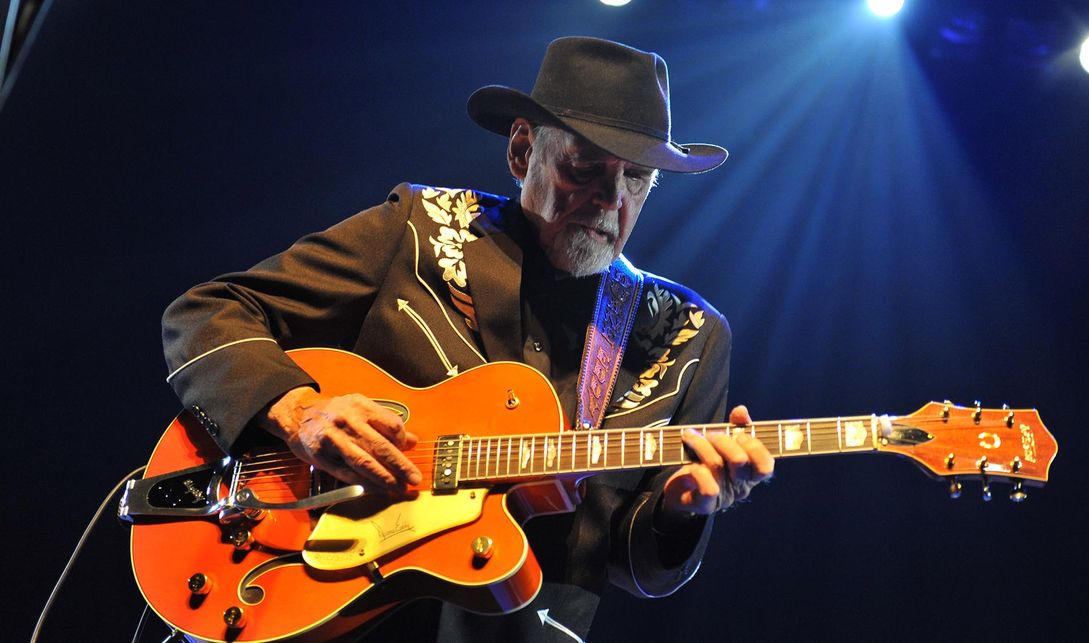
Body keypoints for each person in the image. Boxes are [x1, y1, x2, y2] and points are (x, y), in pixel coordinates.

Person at [162, 36, 774, 641]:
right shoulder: (418, 228)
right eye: (584, 167)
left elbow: (636, 564)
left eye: (636, 178)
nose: (610, 199)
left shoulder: (686, 335)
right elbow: (206, 311)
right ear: (521, 150)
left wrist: (683, 505)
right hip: (313, 594)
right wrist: (300, 411)